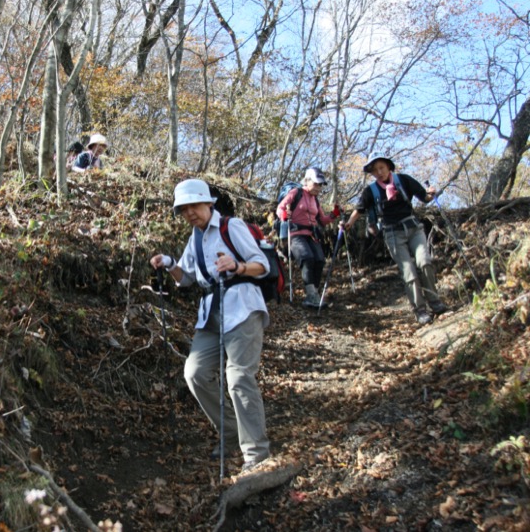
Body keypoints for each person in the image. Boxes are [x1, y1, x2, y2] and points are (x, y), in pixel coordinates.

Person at [150, 178, 272, 473]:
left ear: (208, 203)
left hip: (242, 307)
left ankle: (257, 454)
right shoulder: (195, 238)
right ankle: (230, 431)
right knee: (194, 373)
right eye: (184, 209)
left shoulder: (233, 227)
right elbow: (187, 279)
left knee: (238, 377)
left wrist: (237, 266)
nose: (190, 212)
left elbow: (262, 265)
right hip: (211, 314)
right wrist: (168, 263)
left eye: (194, 205)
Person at [340, 153, 448, 325]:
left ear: (388, 167)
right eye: (375, 171)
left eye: (381, 168)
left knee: (425, 262)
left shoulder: (404, 180)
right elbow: (359, 209)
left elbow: (424, 197)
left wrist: (431, 194)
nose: (379, 172)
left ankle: (435, 302)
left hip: (413, 228)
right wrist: (348, 224)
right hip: (392, 233)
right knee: (409, 272)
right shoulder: (371, 191)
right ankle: (420, 310)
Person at [276, 168, 342, 308]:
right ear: (307, 181)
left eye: (320, 185)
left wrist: (334, 214)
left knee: (319, 260)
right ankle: (311, 295)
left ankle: (313, 295)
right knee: (307, 258)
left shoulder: (315, 200)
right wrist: (284, 216)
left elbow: (322, 220)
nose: (318, 188)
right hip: (295, 234)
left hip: (311, 235)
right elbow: (280, 208)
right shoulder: (296, 193)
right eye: (316, 184)